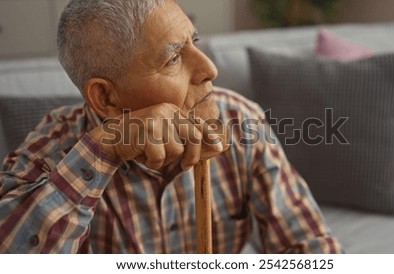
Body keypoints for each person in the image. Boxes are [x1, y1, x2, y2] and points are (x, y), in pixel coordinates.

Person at [0, 0, 342, 253]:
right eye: (173, 57)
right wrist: (106, 149)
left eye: (195, 41)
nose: (209, 68)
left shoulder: (239, 120)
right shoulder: (48, 153)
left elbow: (311, 247)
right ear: (106, 98)